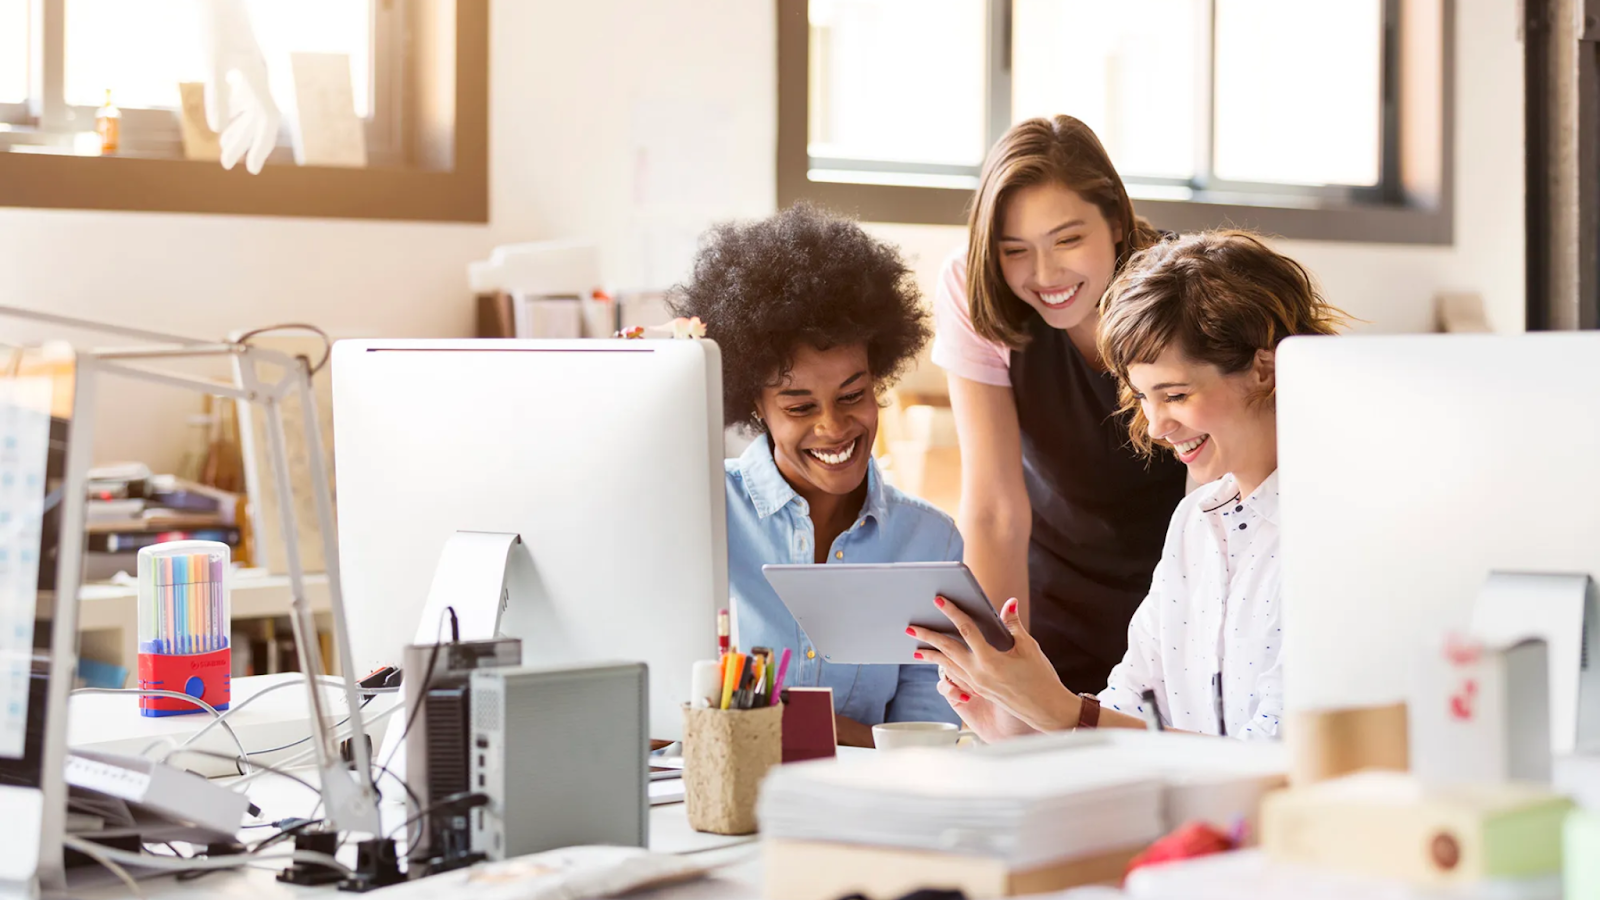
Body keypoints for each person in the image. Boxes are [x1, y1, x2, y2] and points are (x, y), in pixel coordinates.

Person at [910, 231, 1347, 741]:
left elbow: (1277, 761)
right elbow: (1132, 707)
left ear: (1265, 370)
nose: (1158, 426)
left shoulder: (1335, 530)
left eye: (1176, 394)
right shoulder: (1195, 524)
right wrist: (1024, 726)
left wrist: (1064, 713)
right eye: (1143, 397)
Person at [670, 203, 962, 746]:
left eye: (853, 395)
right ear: (755, 406)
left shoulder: (929, 540)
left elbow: (927, 738)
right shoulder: (700, 512)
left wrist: (790, 726)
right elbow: (665, 711)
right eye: (799, 407)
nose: (833, 427)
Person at [932, 115, 1188, 693]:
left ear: (1118, 221)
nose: (1045, 275)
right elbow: (995, 507)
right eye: (1014, 249)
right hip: (1053, 597)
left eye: (1068, 239)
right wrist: (997, 671)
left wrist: (1176, 652)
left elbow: (1214, 503)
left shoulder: (1184, 290)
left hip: (1182, 588)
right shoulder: (972, 291)